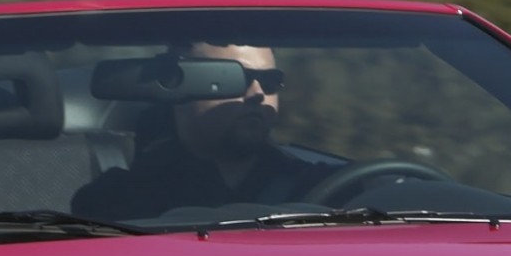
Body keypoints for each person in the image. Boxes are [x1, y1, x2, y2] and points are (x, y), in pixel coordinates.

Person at [72, 43, 323, 221]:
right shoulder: (118, 201)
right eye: (232, 78)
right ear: (176, 88)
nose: (258, 93)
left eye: (270, 81)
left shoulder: (320, 185)